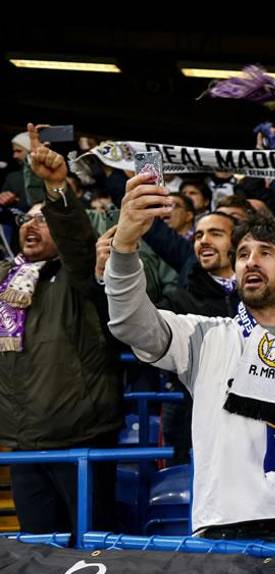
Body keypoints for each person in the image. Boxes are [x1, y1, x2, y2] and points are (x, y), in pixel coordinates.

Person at [105, 171, 275, 542]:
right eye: (243, 255)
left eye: (266, 254)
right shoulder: (203, 336)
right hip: (225, 529)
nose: (251, 262)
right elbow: (130, 324)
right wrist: (125, 245)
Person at [0, 127, 122, 539]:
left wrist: (55, 190)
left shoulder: (77, 277)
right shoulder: (5, 280)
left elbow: (77, 243)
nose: (31, 227)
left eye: (43, 221)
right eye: (27, 220)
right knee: (38, 553)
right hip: (22, 443)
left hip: (79, 441)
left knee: (90, 554)